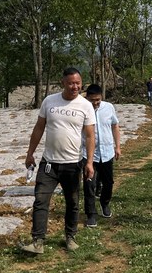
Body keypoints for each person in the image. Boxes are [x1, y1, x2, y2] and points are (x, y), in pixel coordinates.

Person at [22, 67, 96, 254]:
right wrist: (30, 153)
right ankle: (38, 241)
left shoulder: (85, 105)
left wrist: (89, 162)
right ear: (63, 82)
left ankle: (70, 237)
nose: (75, 86)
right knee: (40, 199)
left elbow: (89, 136)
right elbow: (39, 128)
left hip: (72, 163)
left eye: (78, 83)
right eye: (71, 83)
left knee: (72, 201)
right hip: (49, 163)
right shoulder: (50, 101)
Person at [81, 84, 121, 227]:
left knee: (108, 182)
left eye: (98, 100)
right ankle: (91, 214)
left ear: (101, 97)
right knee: (89, 185)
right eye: (92, 100)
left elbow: (115, 126)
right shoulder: (83, 109)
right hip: (88, 154)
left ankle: (105, 203)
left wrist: (118, 146)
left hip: (107, 152)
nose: (95, 103)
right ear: (87, 98)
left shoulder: (108, 107)